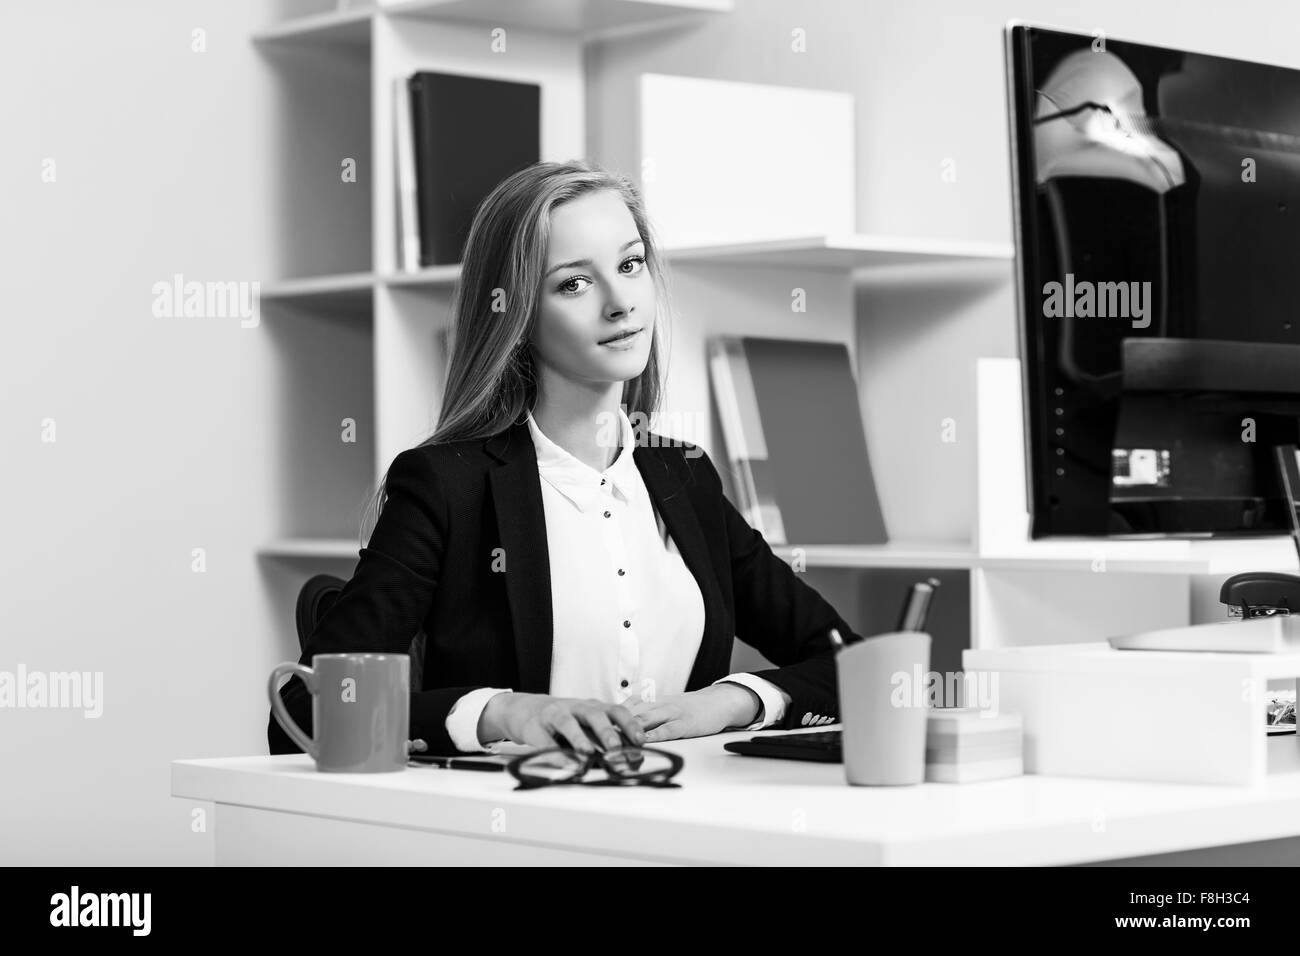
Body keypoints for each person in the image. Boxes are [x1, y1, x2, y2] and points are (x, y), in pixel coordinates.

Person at [269, 159, 863, 759]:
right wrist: (506, 711)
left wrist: (731, 702)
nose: (620, 303)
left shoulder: (681, 473)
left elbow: (853, 662)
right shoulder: (447, 484)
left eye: (630, 266)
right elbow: (304, 711)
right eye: (574, 283)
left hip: (684, 812)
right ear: (518, 314)